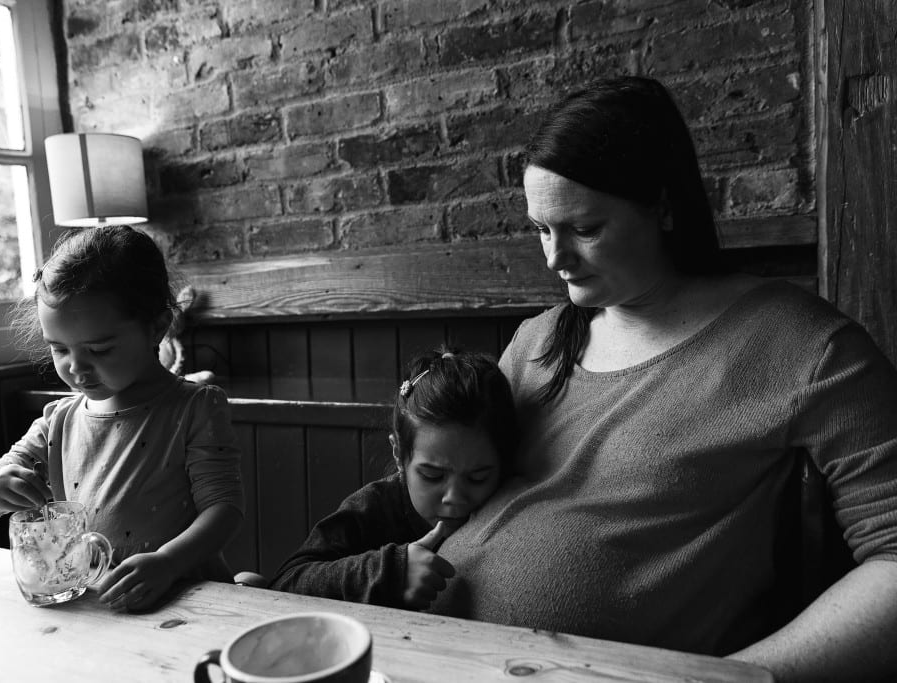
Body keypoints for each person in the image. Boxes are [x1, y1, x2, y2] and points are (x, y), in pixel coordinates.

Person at [427, 76, 897, 682]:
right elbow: (429, 476)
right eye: (542, 229)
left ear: (664, 208)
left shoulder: (801, 346)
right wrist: (324, 571)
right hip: (421, 651)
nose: (554, 259)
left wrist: (730, 679)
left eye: (585, 229)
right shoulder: (535, 342)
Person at [0, 225, 244, 611]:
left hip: (185, 599)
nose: (76, 368)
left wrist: (168, 562)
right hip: (94, 606)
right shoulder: (58, 423)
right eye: (59, 349)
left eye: (99, 349)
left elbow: (223, 511)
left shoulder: (194, 408)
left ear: (156, 327)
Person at [269, 347, 518, 610]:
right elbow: (284, 583)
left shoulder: (511, 497)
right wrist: (391, 573)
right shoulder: (372, 508)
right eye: (432, 475)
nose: (454, 497)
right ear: (399, 454)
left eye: (477, 478)